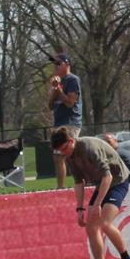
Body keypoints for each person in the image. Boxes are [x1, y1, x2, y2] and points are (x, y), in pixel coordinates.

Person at [52, 125, 130, 259]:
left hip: (117, 181)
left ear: (71, 141)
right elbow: (78, 183)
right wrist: (80, 208)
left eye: (64, 148)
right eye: (59, 151)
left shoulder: (89, 147)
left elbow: (108, 177)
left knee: (105, 223)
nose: (63, 153)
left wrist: (97, 204)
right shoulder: (69, 156)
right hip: (102, 184)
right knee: (91, 227)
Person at [47, 54, 83, 188]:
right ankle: (64, 187)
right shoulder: (57, 82)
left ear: (67, 65)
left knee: (61, 156)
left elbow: (69, 103)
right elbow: (50, 105)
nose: (55, 67)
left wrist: (59, 89)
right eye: (54, 64)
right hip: (59, 123)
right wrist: (55, 89)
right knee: (60, 157)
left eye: (58, 64)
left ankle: (64, 187)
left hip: (71, 122)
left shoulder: (73, 80)